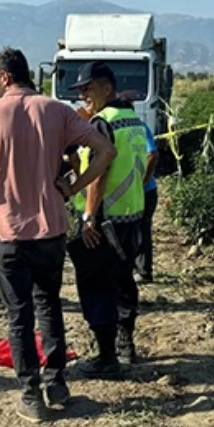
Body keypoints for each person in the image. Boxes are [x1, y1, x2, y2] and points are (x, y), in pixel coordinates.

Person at [0, 47, 117, 422]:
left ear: (3, 77)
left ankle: (31, 394)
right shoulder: (57, 110)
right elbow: (105, 150)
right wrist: (73, 187)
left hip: (7, 231)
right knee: (49, 306)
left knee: (19, 314)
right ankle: (57, 382)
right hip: (49, 229)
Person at [66, 61, 150, 378]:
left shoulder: (103, 123)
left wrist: (89, 216)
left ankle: (105, 357)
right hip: (132, 215)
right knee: (124, 281)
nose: (83, 96)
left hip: (104, 221)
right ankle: (125, 344)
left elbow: (100, 174)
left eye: (87, 88)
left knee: (96, 286)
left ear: (106, 87)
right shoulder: (131, 120)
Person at [135, 121, 160, 284]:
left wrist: (142, 182)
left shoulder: (139, 128)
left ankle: (144, 272)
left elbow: (152, 154)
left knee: (141, 230)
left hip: (145, 191)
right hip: (135, 191)